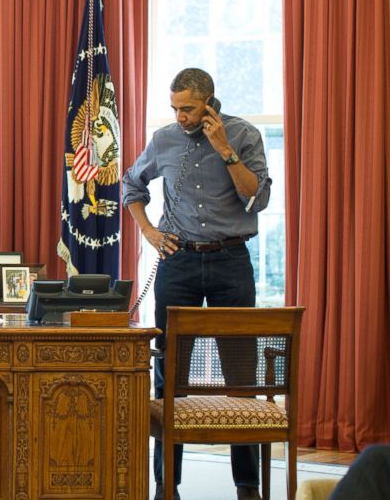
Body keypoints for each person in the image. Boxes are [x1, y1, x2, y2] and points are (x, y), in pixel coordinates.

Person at [122, 68, 272, 500]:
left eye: (187, 108)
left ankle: (247, 486)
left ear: (209, 102)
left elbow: (256, 197)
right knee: (169, 374)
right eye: (175, 108)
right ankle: (166, 484)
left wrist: (224, 149)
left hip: (230, 260)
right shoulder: (165, 139)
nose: (180, 116)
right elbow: (132, 183)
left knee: (241, 376)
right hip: (179, 261)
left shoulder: (244, 136)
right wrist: (150, 232)